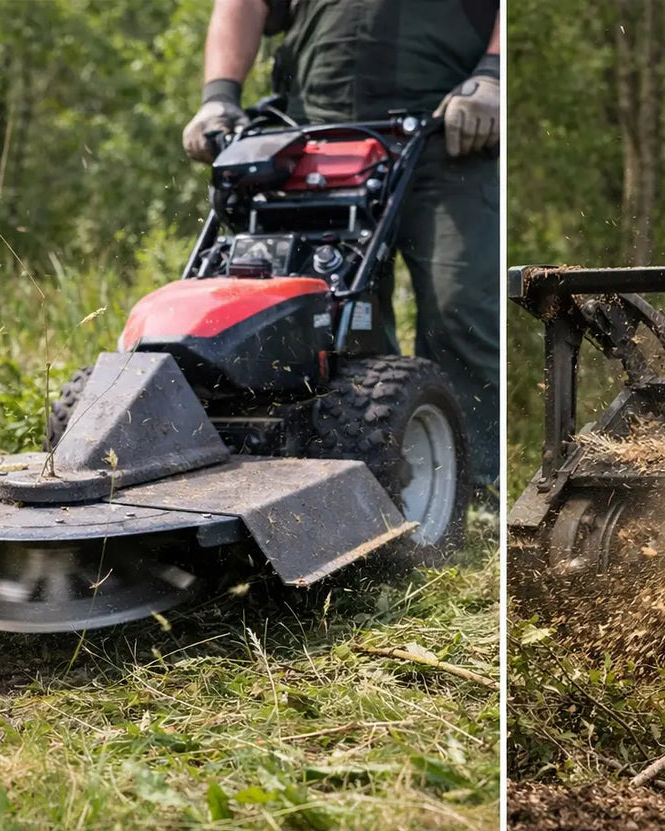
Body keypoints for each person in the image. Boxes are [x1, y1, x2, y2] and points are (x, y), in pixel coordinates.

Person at [182, 0, 501, 501]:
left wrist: (495, 72)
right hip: (317, 133)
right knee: (324, 309)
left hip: (449, 127)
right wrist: (219, 95)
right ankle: (358, 475)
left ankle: (476, 484)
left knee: (461, 301)